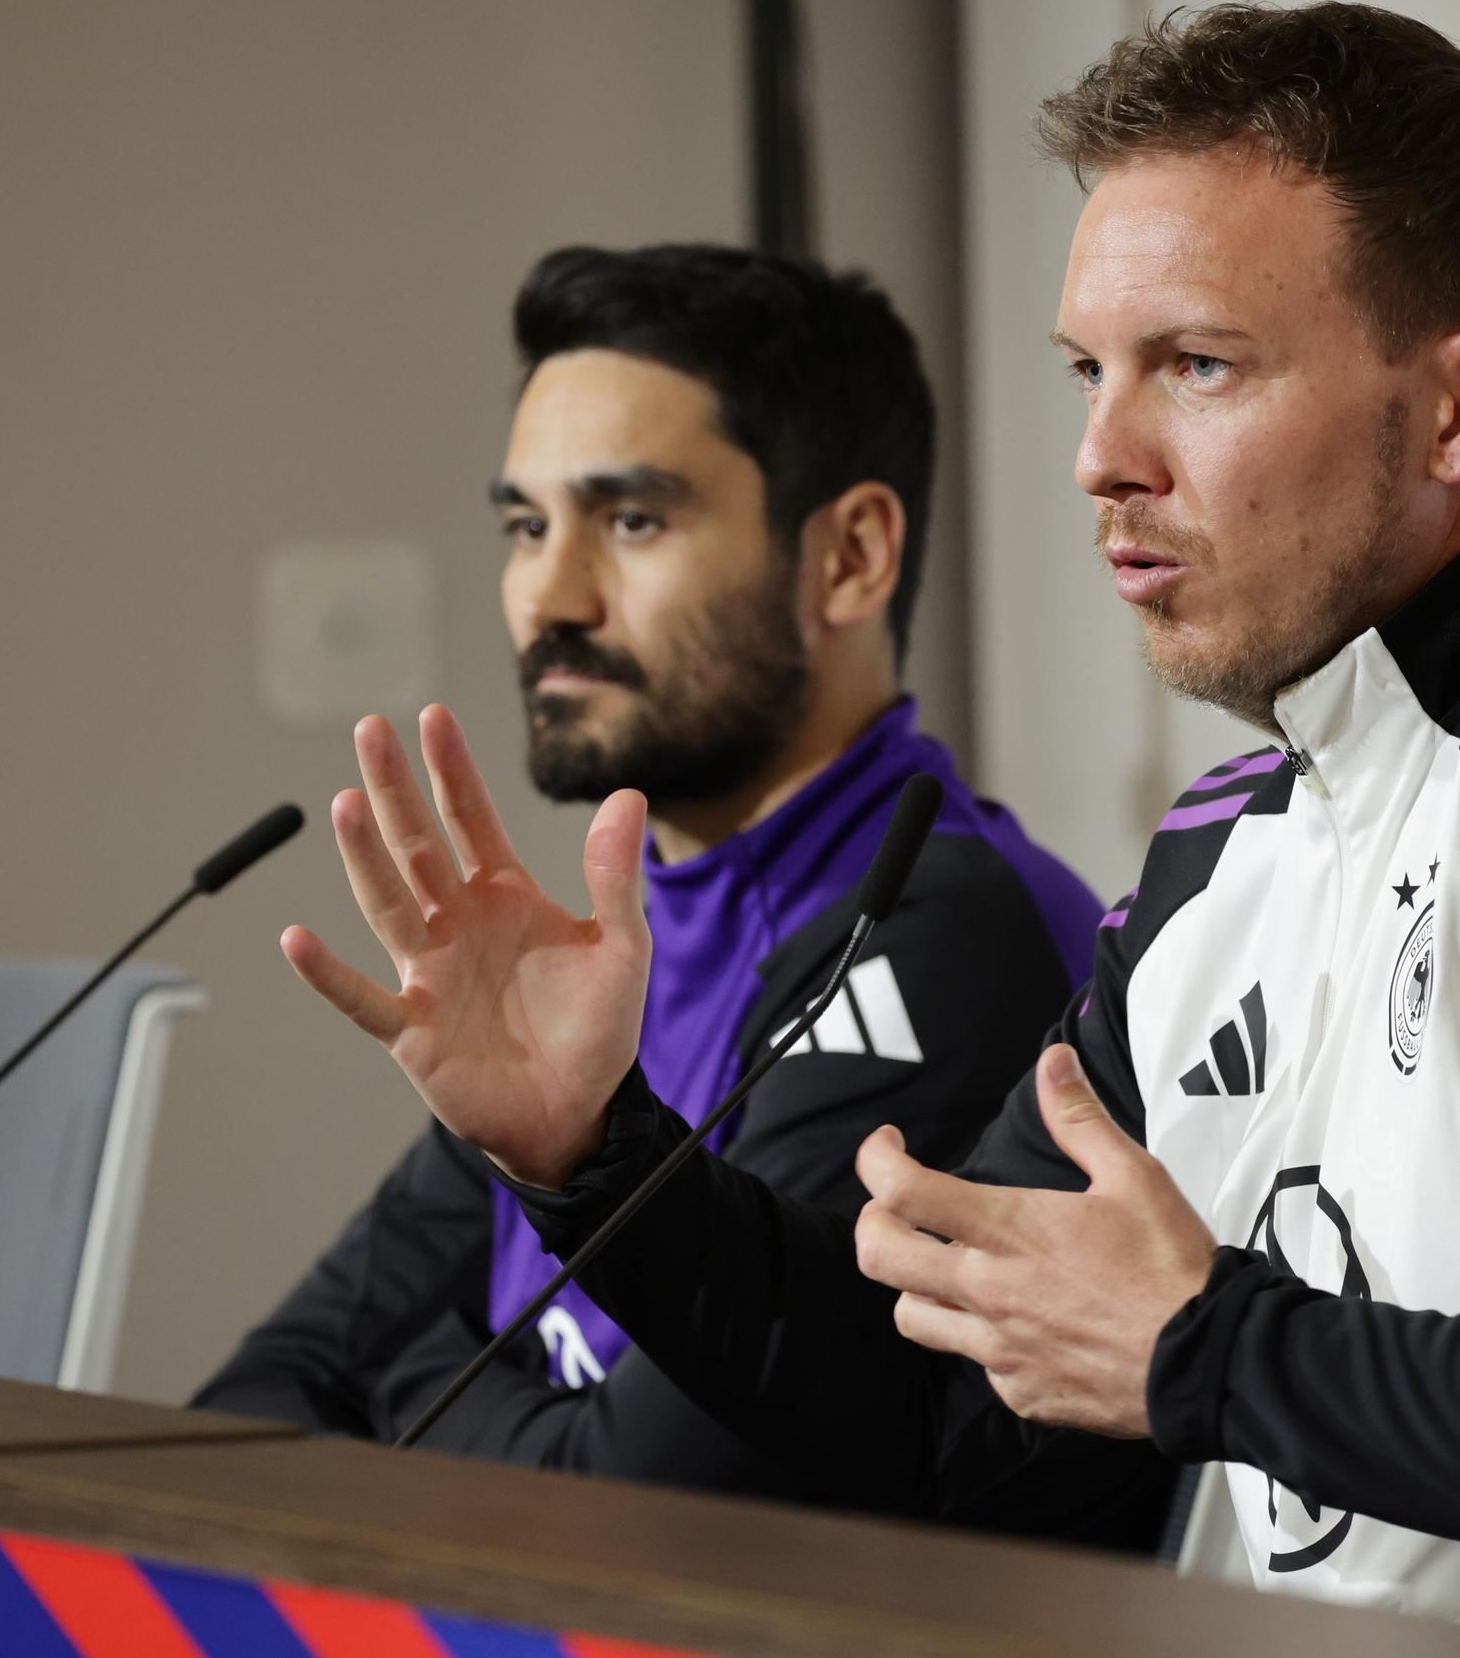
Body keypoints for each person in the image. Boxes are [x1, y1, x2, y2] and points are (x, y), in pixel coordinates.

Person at [281, 6, 1460, 1656]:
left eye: (1199, 367)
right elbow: (944, 1415)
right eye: (1088, 372)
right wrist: (602, 1159)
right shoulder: (1234, 841)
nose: (1102, 456)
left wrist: (1210, 1351)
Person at [197, 244, 1105, 1510]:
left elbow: (654, 1513)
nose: (548, 596)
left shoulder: (931, 935)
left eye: (631, 520)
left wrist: (411, 1385)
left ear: (848, 557)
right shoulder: (605, 953)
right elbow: (262, 1401)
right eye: (525, 525)